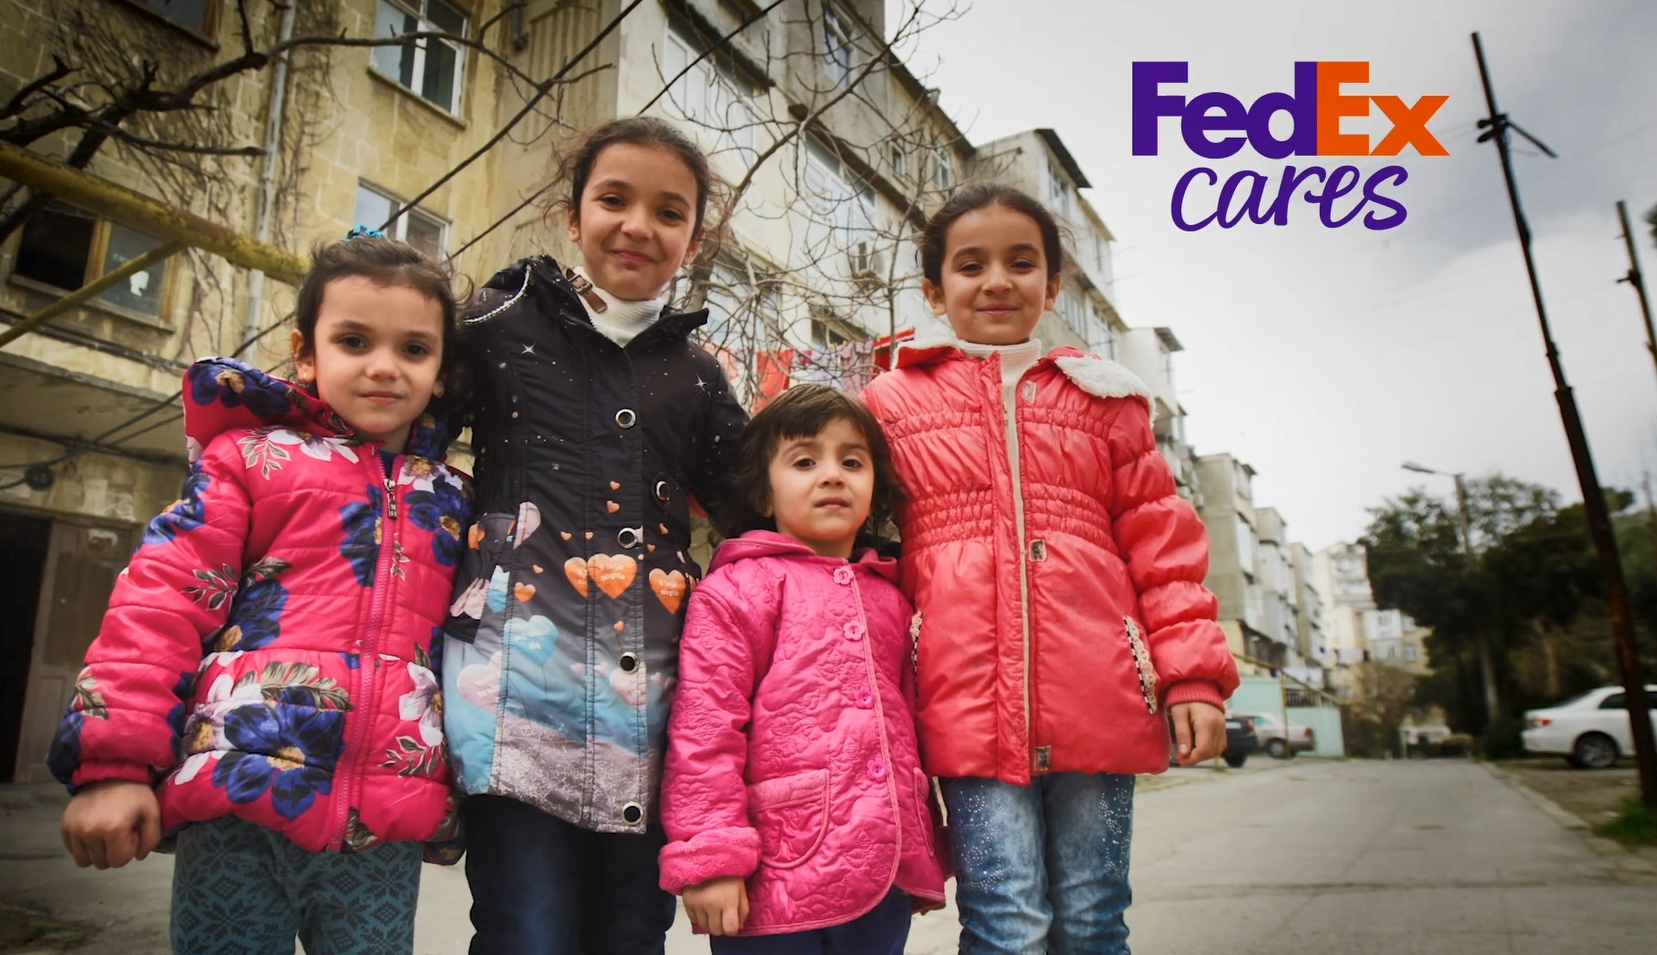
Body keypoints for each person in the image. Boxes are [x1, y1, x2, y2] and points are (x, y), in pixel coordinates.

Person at [49, 230, 472, 955]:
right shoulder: (248, 460)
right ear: (306, 353)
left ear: (439, 369)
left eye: (413, 348)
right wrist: (114, 767)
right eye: (353, 340)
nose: (383, 366)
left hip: (382, 822)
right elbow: (160, 604)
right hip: (237, 793)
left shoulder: (457, 500)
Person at [860, 183, 1241, 955]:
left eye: (1021, 262)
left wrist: (1192, 678)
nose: (996, 281)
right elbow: (853, 545)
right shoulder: (888, 402)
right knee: (1005, 921)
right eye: (970, 265)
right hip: (962, 700)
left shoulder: (1108, 402)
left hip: (1100, 693)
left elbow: (1163, 551)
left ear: (1053, 283)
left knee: (1093, 919)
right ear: (934, 289)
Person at [440, 116, 749, 954]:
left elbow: (758, 513)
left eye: (669, 212)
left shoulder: (697, 374)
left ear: (694, 240)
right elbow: (399, 434)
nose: (638, 226)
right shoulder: (496, 325)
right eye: (614, 200)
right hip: (509, 694)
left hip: (649, 711)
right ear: (573, 216)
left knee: (630, 932)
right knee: (524, 929)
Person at [657, 384, 946, 954]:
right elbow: (704, 731)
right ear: (763, 494)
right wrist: (711, 856)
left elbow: (910, 731)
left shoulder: (894, 599)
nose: (833, 475)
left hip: (883, 873)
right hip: (776, 876)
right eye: (805, 461)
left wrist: (924, 839)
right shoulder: (738, 590)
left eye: (852, 462)